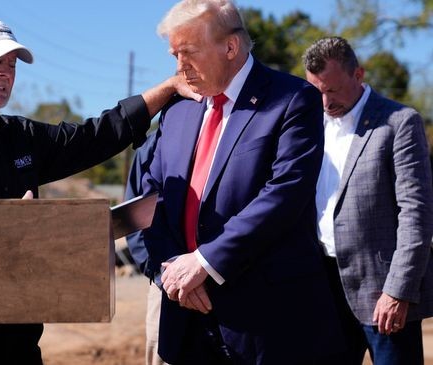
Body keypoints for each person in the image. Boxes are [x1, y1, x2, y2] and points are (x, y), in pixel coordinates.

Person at [0, 17, 198, 365]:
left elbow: (94, 138)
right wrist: (5, 232)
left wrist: (168, 88)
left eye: (12, 64)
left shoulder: (20, 137)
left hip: (17, 345)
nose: (6, 73)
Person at [140, 1, 346, 364]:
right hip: (186, 322)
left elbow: (283, 195)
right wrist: (171, 270)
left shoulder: (292, 100)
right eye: (174, 54)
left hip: (267, 327)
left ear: (230, 48)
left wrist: (203, 262)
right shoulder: (178, 109)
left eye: (187, 53)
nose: (178, 68)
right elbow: (151, 195)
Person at [303, 36, 433, 365]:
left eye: (331, 90)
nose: (324, 101)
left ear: (358, 75)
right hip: (323, 291)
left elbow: (415, 214)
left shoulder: (400, 122)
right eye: (316, 90)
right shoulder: (310, 125)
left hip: (382, 292)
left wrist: (399, 290)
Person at [124, 132, 169, 365]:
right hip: (167, 289)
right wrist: (160, 274)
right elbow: (133, 215)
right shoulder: (156, 141)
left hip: (230, 282)